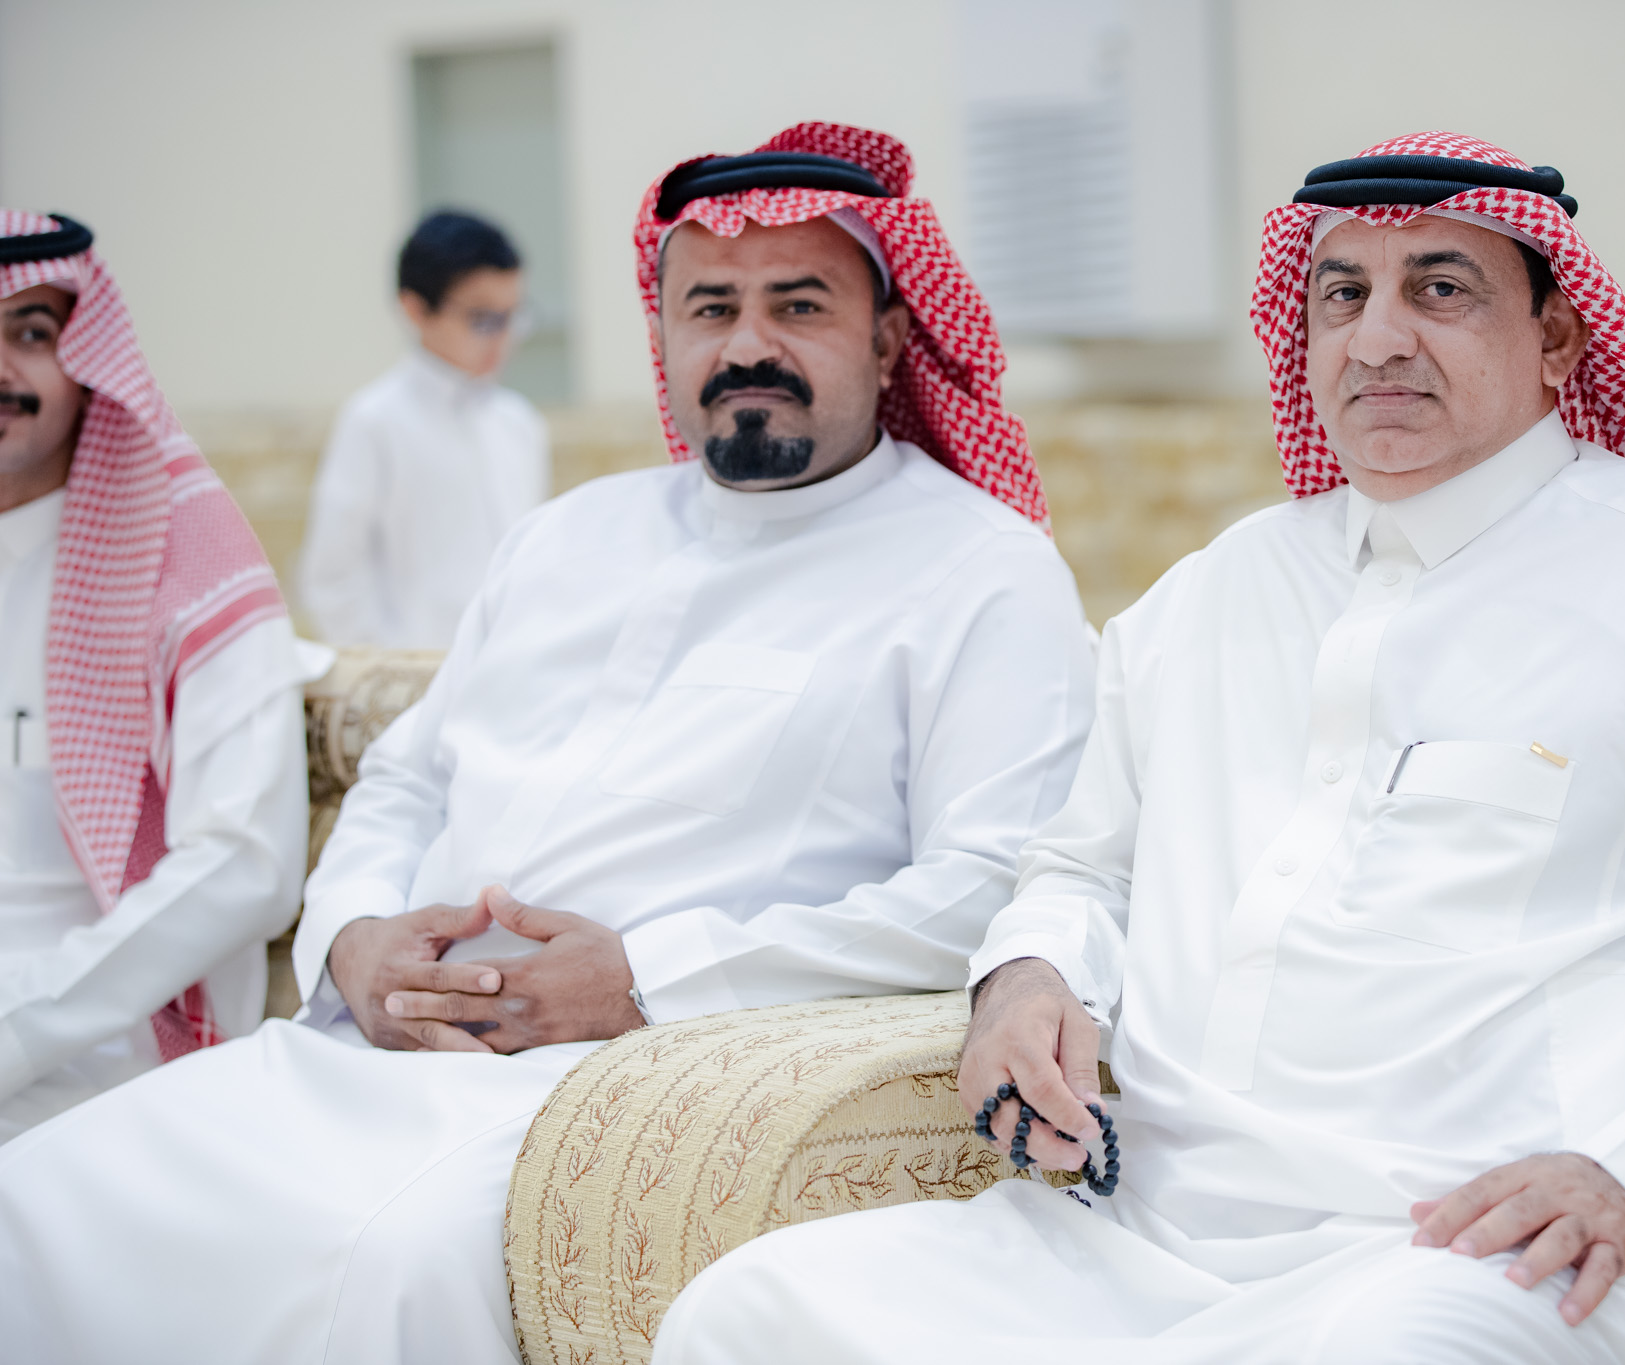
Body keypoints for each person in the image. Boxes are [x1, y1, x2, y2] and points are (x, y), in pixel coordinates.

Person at [653, 133, 1625, 1365]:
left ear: (1559, 337)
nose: (1378, 337)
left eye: (1439, 289)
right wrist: (1028, 977)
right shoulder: (1212, 593)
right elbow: (1079, 867)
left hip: (1487, 1249)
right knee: (749, 1312)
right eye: (1341, 296)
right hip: (1141, 1235)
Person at [0, 123, 1093, 1364]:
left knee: (381, 1270)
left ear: (889, 338)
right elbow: (405, 776)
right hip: (360, 1054)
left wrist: (646, 979)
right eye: (710, 308)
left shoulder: (982, 570)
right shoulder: (566, 537)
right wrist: (351, 939)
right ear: (664, 333)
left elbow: (986, 885)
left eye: (799, 305)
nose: (746, 345)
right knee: (39, 1195)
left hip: (608, 1084)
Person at [0, 212, 316, 1143]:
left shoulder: (189, 572)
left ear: (88, 357)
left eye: (30, 332)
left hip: (98, 1054)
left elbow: (244, 864)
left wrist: (17, 1028)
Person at [297, 210, 550, 648]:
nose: (503, 338)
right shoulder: (374, 422)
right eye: (483, 319)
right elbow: (332, 580)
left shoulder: (518, 422)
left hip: (513, 664)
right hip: (416, 674)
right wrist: (399, 671)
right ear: (415, 308)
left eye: (513, 316)